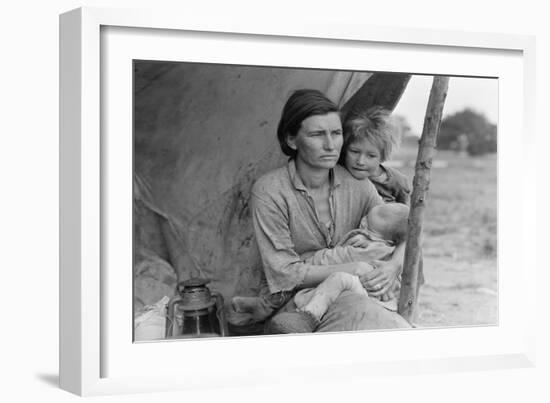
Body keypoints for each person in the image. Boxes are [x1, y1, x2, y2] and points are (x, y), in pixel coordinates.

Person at [248, 89, 410, 334]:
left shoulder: (359, 185)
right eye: (317, 134)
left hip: (357, 293)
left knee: (370, 313)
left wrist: (394, 265)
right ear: (292, 140)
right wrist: (351, 268)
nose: (330, 145)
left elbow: (404, 232)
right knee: (363, 316)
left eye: (336, 134)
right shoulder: (270, 191)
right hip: (300, 303)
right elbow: (285, 273)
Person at [233, 202, 409, 333]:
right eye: (364, 220)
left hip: (368, 295)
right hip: (378, 297)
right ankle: (264, 305)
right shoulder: (387, 248)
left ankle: (308, 316)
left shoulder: (371, 248)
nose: (361, 224)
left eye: (367, 226)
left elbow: (335, 258)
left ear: (388, 241)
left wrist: (310, 260)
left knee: (336, 279)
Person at [342, 107, 411, 204]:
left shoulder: (397, 182)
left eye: (370, 156)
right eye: (354, 152)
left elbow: (406, 212)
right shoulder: (339, 175)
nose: (360, 161)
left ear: (382, 157)